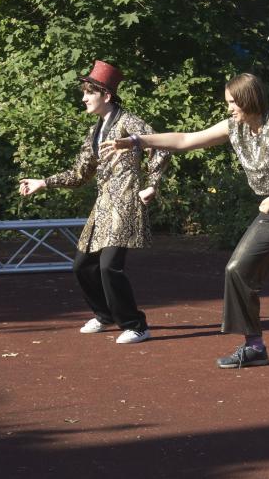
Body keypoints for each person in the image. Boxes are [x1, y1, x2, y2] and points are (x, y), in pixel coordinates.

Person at [100, 73, 269, 373]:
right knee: (237, 270)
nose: (229, 108)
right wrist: (136, 141)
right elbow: (185, 140)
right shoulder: (234, 127)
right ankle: (254, 347)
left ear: (248, 99)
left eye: (233, 102)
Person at [19, 60, 171, 345]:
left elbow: (160, 147)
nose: (84, 98)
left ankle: (136, 325)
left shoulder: (129, 122)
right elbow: (79, 174)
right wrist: (43, 182)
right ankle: (105, 315)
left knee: (108, 266)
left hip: (126, 203)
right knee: (82, 266)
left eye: (90, 93)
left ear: (107, 95)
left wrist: (152, 184)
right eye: (84, 93)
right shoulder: (95, 132)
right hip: (102, 207)